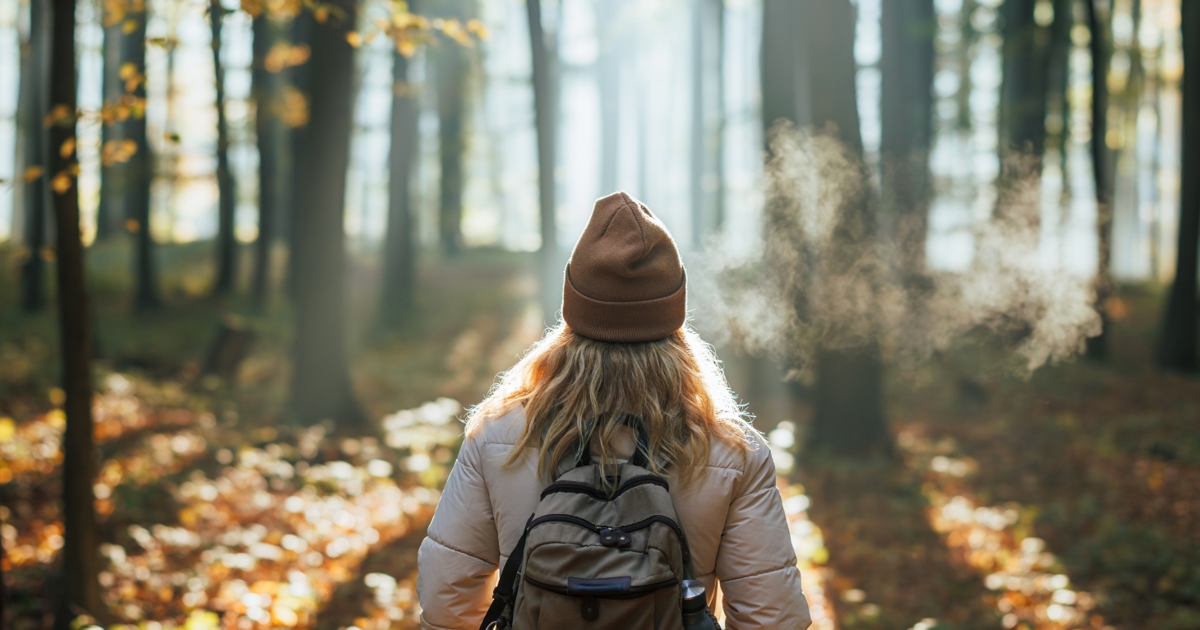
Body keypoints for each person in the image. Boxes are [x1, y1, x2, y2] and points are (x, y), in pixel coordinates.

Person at [416, 192, 812, 629]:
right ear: (674, 316)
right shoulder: (731, 450)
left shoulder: (499, 434)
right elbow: (771, 617)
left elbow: (445, 596)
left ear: (573, 310)